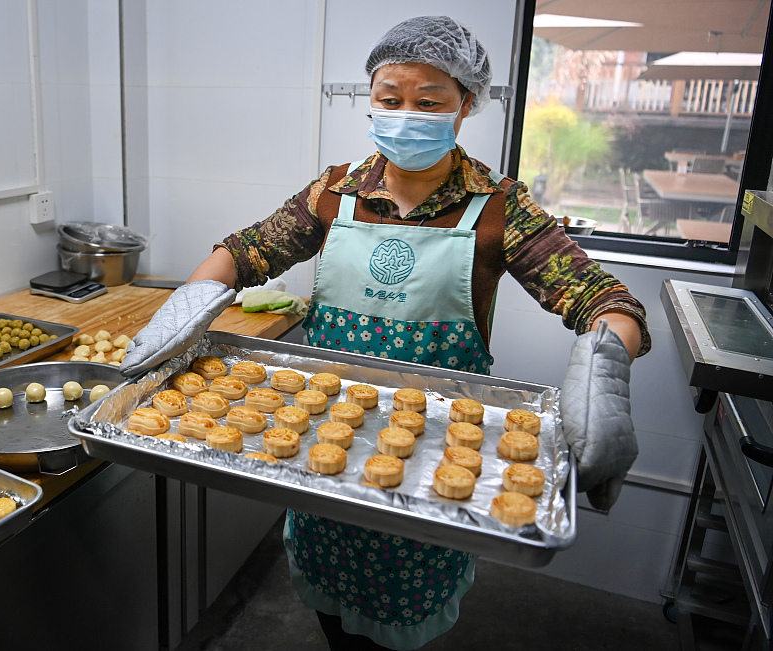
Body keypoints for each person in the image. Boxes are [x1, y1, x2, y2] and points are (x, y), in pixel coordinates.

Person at [121, 15, 650, 650]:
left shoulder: (498, 207)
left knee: (399, 615)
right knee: (331, 602)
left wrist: (604, 367)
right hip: (324, 447)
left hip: (433, 455)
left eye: (429, 102)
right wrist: (187, 305)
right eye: (389, 99)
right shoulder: (336, 192)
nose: (407, 114)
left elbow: (606, 301)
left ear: (467, 104)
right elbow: (246, 250)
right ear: (369, 100)